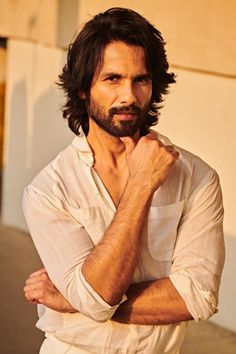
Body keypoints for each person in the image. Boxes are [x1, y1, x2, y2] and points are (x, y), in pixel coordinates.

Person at [22, 7, 225, 354]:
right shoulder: (48, 191)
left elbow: (199, 296)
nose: (128, 96)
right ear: (84, 89)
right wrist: (142, 185)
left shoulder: (198, 178)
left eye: (140, 79)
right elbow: (96, 298)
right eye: (112, 79)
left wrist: (76, 301)